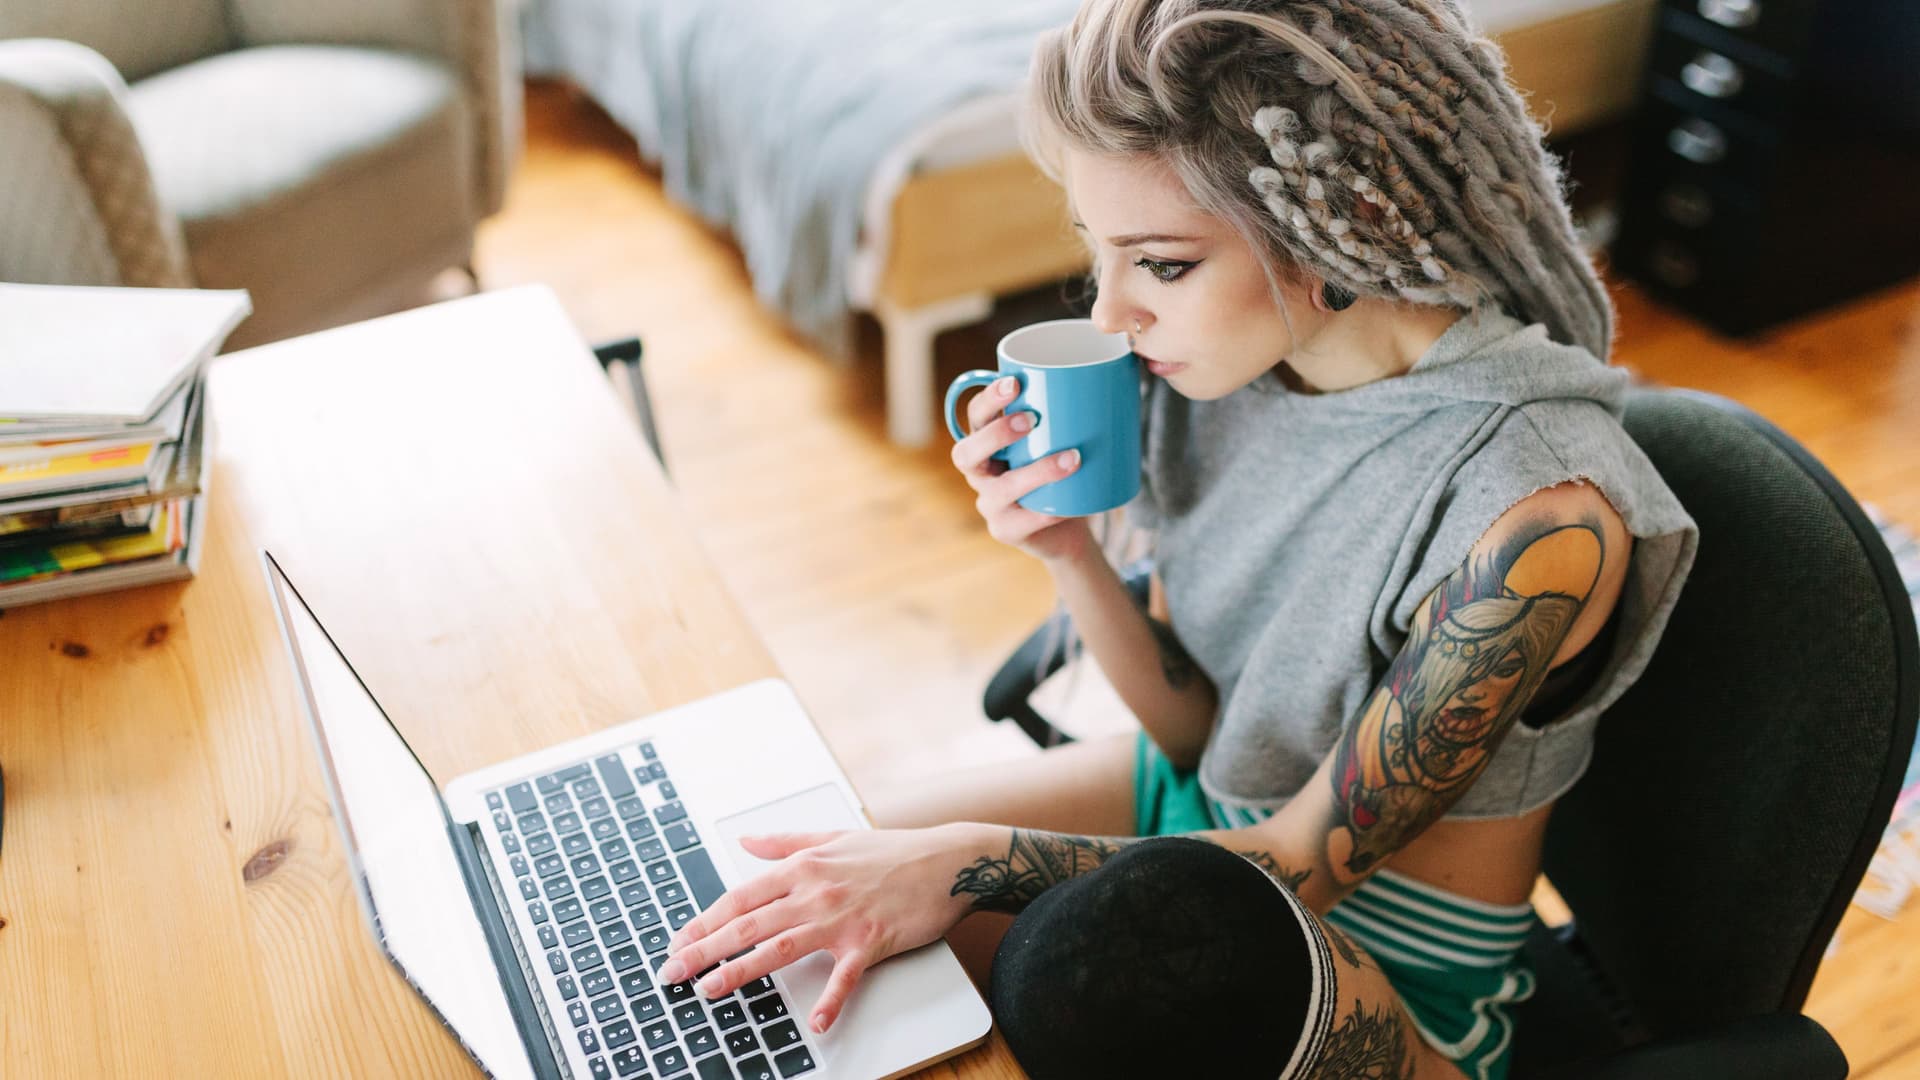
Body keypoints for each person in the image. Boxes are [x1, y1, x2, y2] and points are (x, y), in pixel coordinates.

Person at [657, 1, 1698, 1076]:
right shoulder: (1234, 369)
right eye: (1096, 251)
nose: (1110, 316)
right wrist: (1069, 551)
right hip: (1192, 826)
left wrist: (967, 865)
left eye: (1159, 265)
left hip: (1353, 970)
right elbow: (1197, 735)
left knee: (983, 944)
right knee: (783, 916)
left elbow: (1298, 865)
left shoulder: (1538, 522)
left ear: (1343, 229)